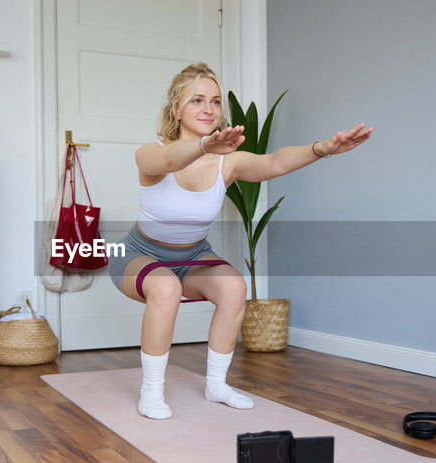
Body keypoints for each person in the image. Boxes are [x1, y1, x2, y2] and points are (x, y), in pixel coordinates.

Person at [107, 63, 373, 420]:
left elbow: (274, 162)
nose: (209, 109)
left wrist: (323, 148)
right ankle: (151, 392)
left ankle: (217, 384)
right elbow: (170, 159)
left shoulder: (226, 163)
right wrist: (202, 146)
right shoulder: (149, 153)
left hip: (193, 256)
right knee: (166, 287)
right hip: (138, 255)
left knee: (234, 286)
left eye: (215, 101)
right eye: (197, 100)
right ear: (176, 110)